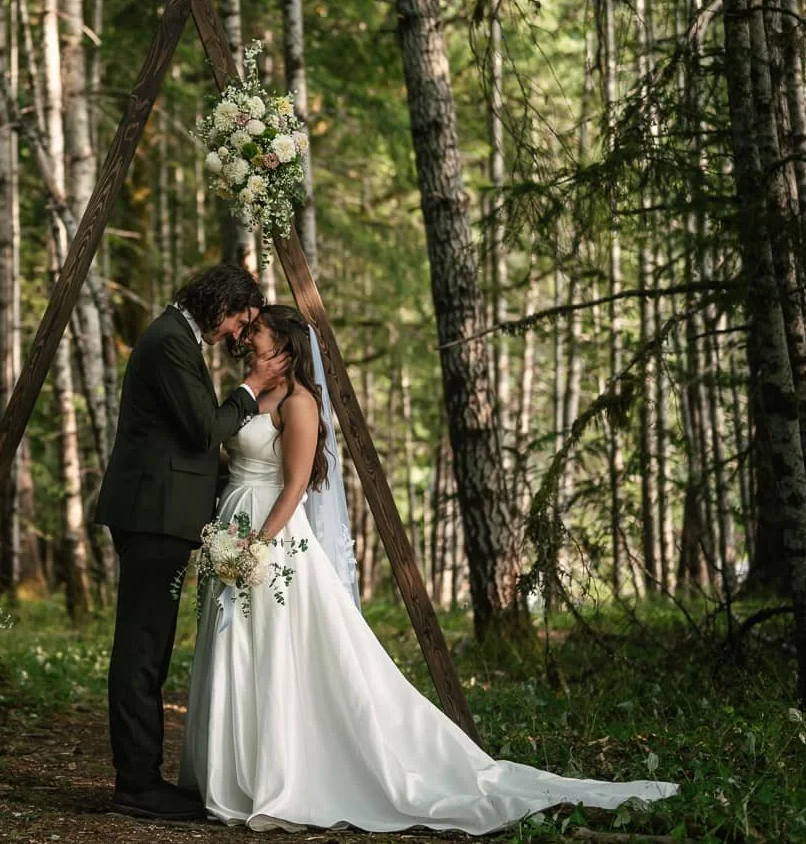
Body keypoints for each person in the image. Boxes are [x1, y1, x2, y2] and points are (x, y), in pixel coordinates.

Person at [179, 304, 680, 834]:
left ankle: (283, 772)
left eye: (255, 330)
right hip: (234, 523)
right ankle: (234, 772)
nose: (246, 336)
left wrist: (260, 543)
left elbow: (296, 484)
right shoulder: (253, 393)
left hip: (271, 537)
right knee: (236, 644)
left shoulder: (299, 403)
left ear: (283, 344)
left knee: (277, 648)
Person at [94, 264, 290, 821]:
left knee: (149, 649)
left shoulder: (174, 338)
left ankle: (141, 778)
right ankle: (136, 784)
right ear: (218, 303)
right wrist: (253, 390)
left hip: (162, 514)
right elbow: (204, 429)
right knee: (141, 650)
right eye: (237, 319)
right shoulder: (167, 342)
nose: (236, 332)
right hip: (152, 515)